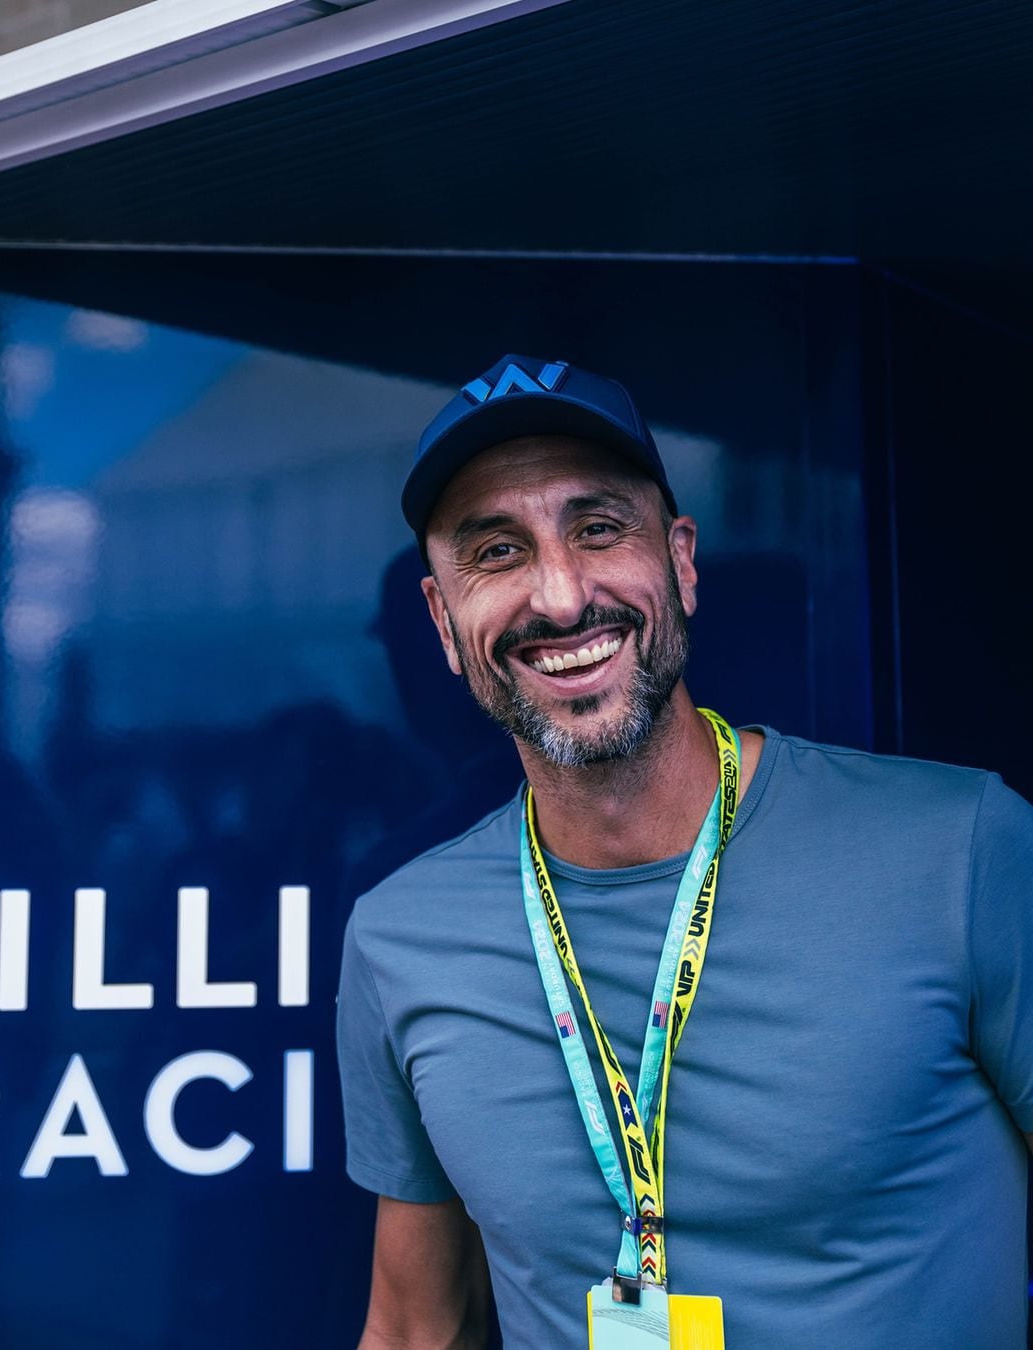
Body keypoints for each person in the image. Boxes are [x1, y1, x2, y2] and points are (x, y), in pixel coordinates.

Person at [336, 353, 1033, 1349]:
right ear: (445, 625)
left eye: (599, 528)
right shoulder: (400, 936)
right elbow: (415, 1328)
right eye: (496, 552)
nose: (564, 596)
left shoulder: (963, 849)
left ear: (683, 561)